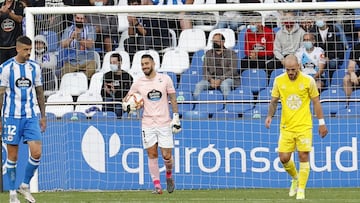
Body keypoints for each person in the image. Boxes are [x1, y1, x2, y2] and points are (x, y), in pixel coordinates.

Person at [265, 54, 328, 200]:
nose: (291, 72)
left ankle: (301, 190)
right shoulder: (279, 81)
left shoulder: (308, 80)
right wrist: (269, 116)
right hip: (286, 126)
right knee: (284, 158)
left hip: (304, 126)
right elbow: (274, 101)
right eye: (288, 70)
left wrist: (321, 122)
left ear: (298, 66)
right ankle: (295, 178)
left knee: (303, 155)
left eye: (293, 69)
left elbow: (316, 102)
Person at [122, 54, 181, 194]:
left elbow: (172, 97)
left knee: (167, 156)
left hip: (164, 122)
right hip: (147, 123)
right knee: (152, 154)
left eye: (147, 63)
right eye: (142, 64)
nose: (144, 66)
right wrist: (130, 105)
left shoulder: (165, 79)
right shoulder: (138, 82)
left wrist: (176, 117)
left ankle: (168, 176)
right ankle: (157, 186)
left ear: (153, 63)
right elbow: (127, 99)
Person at [0, 36, 46, 203]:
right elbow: (1, 94)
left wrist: (43, 115)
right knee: (13, 157)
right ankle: (12, 194)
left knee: (37, 152)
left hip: (30, 116)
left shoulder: (35, 68)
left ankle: (24, 185)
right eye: (26, 50)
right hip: (11, 117)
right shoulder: (6, 68)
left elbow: (39, 92)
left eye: (30, 50)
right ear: (18, 49)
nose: (29, 53)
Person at [193, 33, 240, 100]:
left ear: (223, 42)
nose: (214, 43)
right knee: (199, 86)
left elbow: (233, 70)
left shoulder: (231, 54)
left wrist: (220, 79)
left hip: (227, 78)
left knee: (225, 85)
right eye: (213, 41)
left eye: (216, 41)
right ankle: (195, 106)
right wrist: (210, 79)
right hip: (212, 79)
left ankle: (227, 106)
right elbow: (205, 69)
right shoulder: (208, 53)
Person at [60, 13, 97, 80]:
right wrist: (71, 38)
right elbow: (63, 45)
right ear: (74, 18)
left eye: (81, 18)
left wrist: (79, 39)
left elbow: (90, 44)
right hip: (72, 62)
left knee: (92, 68)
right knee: (64, 73)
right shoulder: (68, 30)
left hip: (87, 60)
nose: (79, 20)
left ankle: (82, 84)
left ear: (85, 19)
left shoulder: (90, 29)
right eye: (78, 18)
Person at [240, 12, 275, 76]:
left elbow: (271, 51)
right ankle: (245, 80)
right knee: (244, 62)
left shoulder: (269, 32)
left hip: (265, 57)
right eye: (251, 23)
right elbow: (246, 49)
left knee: (263, 63)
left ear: (259, 23)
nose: (251, 26)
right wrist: (251, 54)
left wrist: (257, 54)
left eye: (253, 24)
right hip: (253, 57)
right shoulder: (248, 32)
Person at [101, 53, 133, 118]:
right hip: (110, 100)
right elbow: (102, 93)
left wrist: (115, 92)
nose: (112, 64)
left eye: (114, 62)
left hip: (121, 101)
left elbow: (128, 94)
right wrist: (107, 91)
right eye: (111, 62)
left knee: (118, 106)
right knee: (107, 103)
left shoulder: (127, 77)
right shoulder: (107, 75)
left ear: (120, 62)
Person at [0, 0, 24, 64]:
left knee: (15, 66)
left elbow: (19, 19)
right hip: (1, 45)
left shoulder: (18, 5)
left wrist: (8, 12)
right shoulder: (0, 5)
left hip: (14, 45)